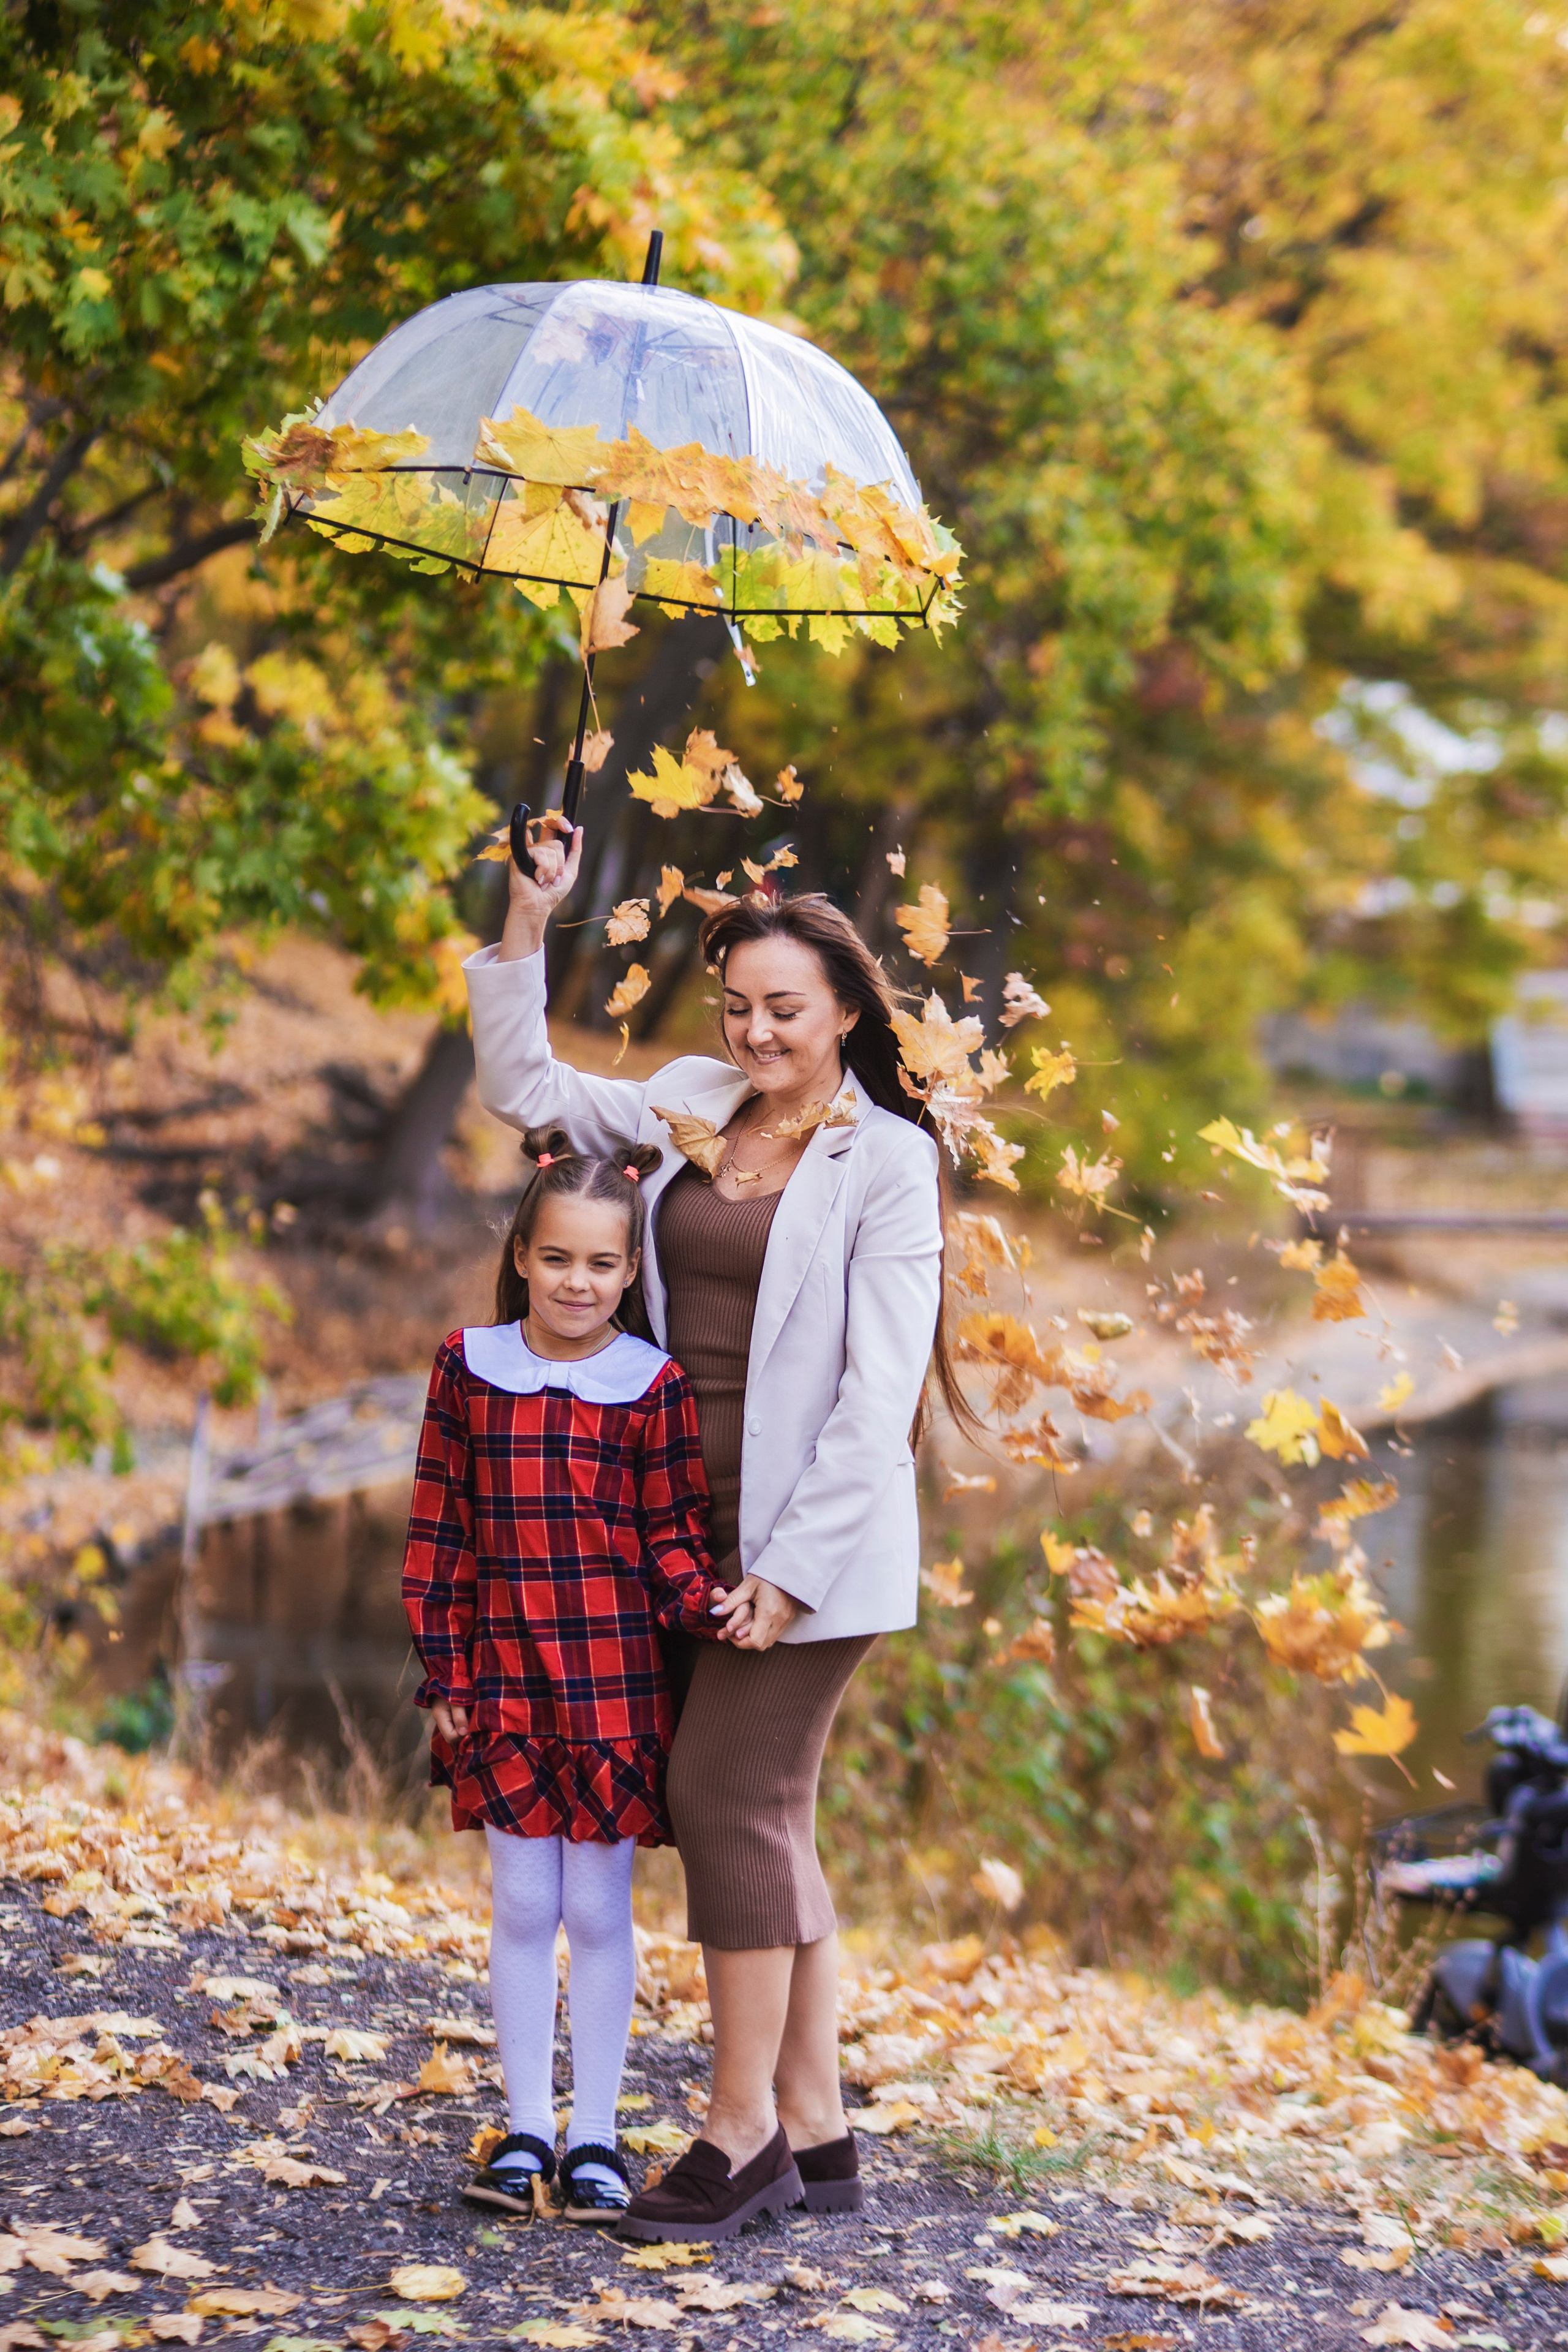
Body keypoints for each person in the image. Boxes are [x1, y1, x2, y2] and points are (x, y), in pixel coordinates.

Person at [462, 827, 963, 2244]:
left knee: (721, 1800)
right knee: (767, 1820)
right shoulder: (693, 1101)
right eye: (736, 1003)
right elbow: (523, 1090)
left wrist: (790, 1573)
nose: (754, 1031)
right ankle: (816, 2124)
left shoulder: (889, 1162)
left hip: (808, 1550)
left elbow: (877, 1399)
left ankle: (736, 2134)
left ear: (848, 1012)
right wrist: (525, 919)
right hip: (682, 1530)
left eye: (784, 1008)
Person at [401, 1129, 740, 2226]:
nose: (578, 1283)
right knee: (520, 1904)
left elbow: (671, 1536)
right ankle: (523, 2131)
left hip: (610, 1683)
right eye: (556, 1261)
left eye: (601, 1265)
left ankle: (594, 2135)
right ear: (521, 1255)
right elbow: (439, 1531)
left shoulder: (651, 1384)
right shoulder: (470, 1365)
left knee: (596, 1910)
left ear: (631, 1271)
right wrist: (444, 1670)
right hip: (502, 1678)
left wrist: (716, 1606)